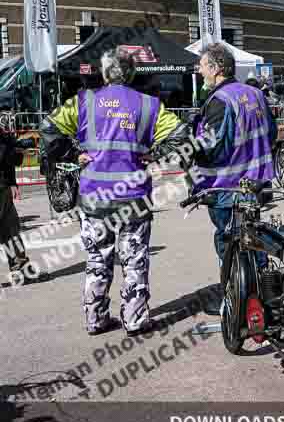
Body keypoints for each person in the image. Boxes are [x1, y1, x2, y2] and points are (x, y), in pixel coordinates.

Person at [39, 47, 190, 337]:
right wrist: (155, 155)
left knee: (97, 259)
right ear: (132, 72)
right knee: (134, 260)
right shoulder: (149, 105)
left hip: (95, 196)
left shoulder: (84, 101)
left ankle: (95, 319)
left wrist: (72, 153)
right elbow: (181, 134)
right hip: (133, 196)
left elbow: (48, 127)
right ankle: (134, 320)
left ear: (106, 72)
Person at [191, 43, 278, 272]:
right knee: (253, 241)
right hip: (256, 186)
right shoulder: (256, 94)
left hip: (226, 190)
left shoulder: (220, 100)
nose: (199, 71)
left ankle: (233, 301)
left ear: (216, 68)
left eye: (201, 66)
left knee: (230, 246)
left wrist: (188, 151)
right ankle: (262, 295)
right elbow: (271, 135)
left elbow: (212, 148)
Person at [0, 117, 30, 284]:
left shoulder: (4, 138)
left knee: (11, 230)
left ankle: (20, 267)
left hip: (3, 188)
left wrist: (12, 183)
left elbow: (10, 162)